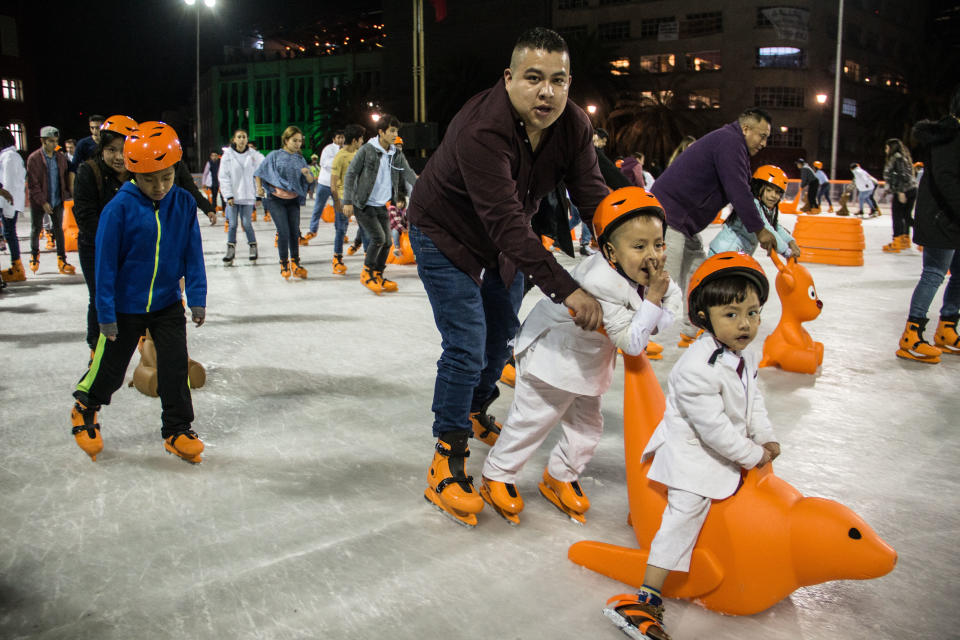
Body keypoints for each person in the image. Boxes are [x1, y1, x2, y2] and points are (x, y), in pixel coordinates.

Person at [407, 27, 609, 527]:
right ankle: (446, 458)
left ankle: (475, 410)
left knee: (500, 343)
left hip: (503, 242)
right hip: (445, 232)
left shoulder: (573, 125)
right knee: (467, 343)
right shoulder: (484, 129)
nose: (547, 92)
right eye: (534, 78)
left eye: (558, 80)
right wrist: (570, 290)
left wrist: (630, 246)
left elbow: (593, 197)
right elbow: (507, 224)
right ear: (509, 78)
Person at [604, 252, 780, 640]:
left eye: (752, 312)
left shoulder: (746, 353)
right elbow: (713, 429)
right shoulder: (695, 368)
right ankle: (647, 596)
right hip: (693, 455)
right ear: (704, 317)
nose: (745, 324)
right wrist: (752, 454)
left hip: (731, 448)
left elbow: (754, 400)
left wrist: (764, 436)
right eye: (731, 314)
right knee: (685, 512)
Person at [480, 188, 680, 525]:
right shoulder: (600, 282)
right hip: (551, 360)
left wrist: (656, 301)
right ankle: (497, 474)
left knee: (588, 428)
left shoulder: (642, 276)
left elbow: (665, 316)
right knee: (533, 420)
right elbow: (633, 342)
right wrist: (655, 303)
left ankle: (560, 475)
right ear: (610, 252)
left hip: (586, 366)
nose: (653, 256)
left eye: (658, 244)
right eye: (639, 246)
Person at [70, 121, 207, 464]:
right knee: (112, 370)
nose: (159, 186)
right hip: (125, 306)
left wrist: (198, 296)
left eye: (166, 176)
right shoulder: (119, 209)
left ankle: (177, 429)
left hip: (166, 303)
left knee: (175, 367)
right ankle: (85, 407)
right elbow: (104, 267)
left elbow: (193, 253)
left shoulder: (184, 204)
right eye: (149, 178)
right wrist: (105, 313)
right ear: (134, 172)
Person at [651, 108, 777, 347]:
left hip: (684, 223)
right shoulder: (730, 141)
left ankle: (693, 329)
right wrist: (760, 230)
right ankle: (641, 334)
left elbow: (742, 191)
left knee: (699, 275)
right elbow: (738, 190)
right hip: (669, 216)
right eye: (762, 135)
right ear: (746, 129)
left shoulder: (731, 144)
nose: (764, 143)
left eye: (767, 138)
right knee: (664, 279)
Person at [896, 86, 960, 364]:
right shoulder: (950, 135)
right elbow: (947, 179)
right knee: (934, 273)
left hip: (953, 218)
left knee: (959, 275)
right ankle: (912, 334)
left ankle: (947, 328)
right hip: (941, 218)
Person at [72, 115, 138, 356]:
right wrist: (113, 242)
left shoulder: (138, 174)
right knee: (100, 295)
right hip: (95, 249)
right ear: (102, 148)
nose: (119, 156)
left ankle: (135, 342)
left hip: (130, 250)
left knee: (131, 295)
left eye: (125, 149)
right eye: (112, 150)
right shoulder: (88, 172)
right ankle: (95, 348)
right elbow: (85, 216)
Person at [342, 114, 416, 294]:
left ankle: (378, 274)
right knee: (378, 238)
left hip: (382, 203)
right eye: (391, 130)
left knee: (388, 242)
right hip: (363, 203)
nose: (394, 134)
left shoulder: (395, 153)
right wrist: (348, 201)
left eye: (396, 131)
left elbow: (408, 173)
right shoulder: (367, 150)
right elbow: (351, 174)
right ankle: (367, 273)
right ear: (381, 132)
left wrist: (424, 188)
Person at [253, 125, 315, 279]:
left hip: (293, 200)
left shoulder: (300, 159)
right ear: (286, 140)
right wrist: (259, 188)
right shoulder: (274, 155)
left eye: (300, 141)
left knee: (295, 232)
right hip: (276, 199)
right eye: (295, 140)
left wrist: (307, 175)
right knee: (284, 232)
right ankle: (284, 263)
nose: (298, 144)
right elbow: (260, 172)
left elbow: (310, 180)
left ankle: (295, 262)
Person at [708, 165, 800, 258]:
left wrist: (790, 241)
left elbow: (775, 226)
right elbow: (766, 227)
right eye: (769, 190)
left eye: (777, 192)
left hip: (736, 255)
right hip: (725, 253)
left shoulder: (765, 208)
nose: (773, 195)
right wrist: (786, 251)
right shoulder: (752, 205)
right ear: (758, 187)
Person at [25, 125, 76, 275]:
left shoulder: (60, 158)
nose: (55, 144)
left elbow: (65, 178)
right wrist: (43, 202)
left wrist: (66, 194)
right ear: (43, 141)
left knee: (58, 230)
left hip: (57, 200)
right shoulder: (34, 159)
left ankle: (62, 259)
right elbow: (33, 184)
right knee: (36, 229)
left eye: (56, 141)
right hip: (39, 202)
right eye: (51, 141)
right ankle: (34, 255)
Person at [218, 128, 264, 263]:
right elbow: (223, 176)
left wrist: (258, 193)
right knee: (232, 224)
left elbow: (262, 168)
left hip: (248, 196)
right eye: (239, 137)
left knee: (246, 223)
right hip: (233, 197)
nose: (242, 139)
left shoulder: (253, 155)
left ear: (247, 139)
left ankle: (253, 247)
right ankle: (230, 250)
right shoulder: (228, 156)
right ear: (234, 139)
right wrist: (228, 195)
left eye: (244, 137)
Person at [329, 124, 366, 275]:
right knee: (341, 229)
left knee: (365, 227)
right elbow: (333, 183)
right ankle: (337, 258)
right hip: (344, 197)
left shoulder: (359, 153)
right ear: (356, 140)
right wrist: (337, 202)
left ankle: (369, 259)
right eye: (361, 138)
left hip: (359, 197)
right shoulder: (340, 156)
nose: (363, 141)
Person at [305, 130, 344, 242]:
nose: (341, 140)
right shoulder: (328, 149)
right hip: (325, 183)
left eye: (342, 137)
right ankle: (312, 230)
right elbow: (324, 163)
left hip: (338, 186)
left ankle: (340, 233)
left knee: (339, 211)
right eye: (338, 137)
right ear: (334, 139)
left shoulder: (346, 149)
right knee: (318, 207)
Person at [0, 127, 27, 283]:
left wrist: (8, 208)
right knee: (9, 233)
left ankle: (16, 267)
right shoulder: (11, 156)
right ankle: (16, 265)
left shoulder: (9, 157)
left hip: (7, 203)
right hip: (8, 202)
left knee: (10, 233)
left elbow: (8, 184)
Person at [882, 138, 918, 253]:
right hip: (911, 189)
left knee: (897, 216)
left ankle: (897, 241)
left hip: (903, 190)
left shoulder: (896, 158)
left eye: (887, 147)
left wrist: (901, 191)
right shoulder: (904, 157)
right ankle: (905, 240)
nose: (885, 150)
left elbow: (902, 175)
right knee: (906, 216)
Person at [69, 114, 106, 191]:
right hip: (89, 183)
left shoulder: (109, 143)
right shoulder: (82, 144)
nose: (95, 131)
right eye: (92, 128)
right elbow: (73, 167)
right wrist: (72, 188)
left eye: (97, 128)